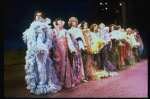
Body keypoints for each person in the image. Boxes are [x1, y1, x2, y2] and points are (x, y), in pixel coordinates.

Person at [22, 11, 62, 95]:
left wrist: (45, 48)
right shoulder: (31, 26)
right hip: (32, 50)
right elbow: (28, 39)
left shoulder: (44, 26)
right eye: (37, 15)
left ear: (43, 17)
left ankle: (42, 84)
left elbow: (49, 38)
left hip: (41, 49)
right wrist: (31, 47)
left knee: (41, 66)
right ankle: (35, 84)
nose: (38, 17)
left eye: (40, 15)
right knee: (33, 67)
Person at [52, 18, 78, 88]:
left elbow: (69, 40)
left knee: (64, 65)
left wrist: (72, 48)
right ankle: (57, 81)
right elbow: (50, 40)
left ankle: (63, 81)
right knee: (56, 65)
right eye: (58, 21)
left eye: (61, 21)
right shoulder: (53, 31)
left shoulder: (65, 31)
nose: (60, 23)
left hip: (63, 50)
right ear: (56, 23)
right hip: (55, 51)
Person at [68, 17, 87, 86]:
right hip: (73, 47)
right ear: (70, 22)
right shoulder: (69, 31)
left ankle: (81, 76)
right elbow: (68, 40)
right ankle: (74, 77)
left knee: (79, 61)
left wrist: (84, 46)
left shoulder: (79, 30)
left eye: (76, 21)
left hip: (79, 46)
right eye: (73, 21)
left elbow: (82, 38)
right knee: (73, 61)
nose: (75, 22)